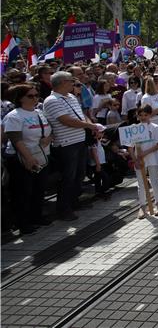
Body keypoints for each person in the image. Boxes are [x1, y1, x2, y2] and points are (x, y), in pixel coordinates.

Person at [42, 71, 103, 221]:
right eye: (71, 81)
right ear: (62, 82)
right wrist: (90, 126)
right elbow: (66, 120)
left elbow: (81, 116)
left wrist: (92, 126)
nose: (74, 84)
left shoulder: (71, 97)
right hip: (66, 144)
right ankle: (63, 208)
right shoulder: (51, 100)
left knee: (79, 174)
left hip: (79, 141)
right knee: (68, 177)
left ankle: (73, 202)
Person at [2, 84, 53, 233]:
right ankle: (23, 222)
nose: (35, 98)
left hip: (42, 156)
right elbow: (16, 139)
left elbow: (50, 130)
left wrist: (48, 139)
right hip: (22, 159)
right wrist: (28, 158)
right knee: (23, 192)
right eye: (30, 96)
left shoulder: (39, 112)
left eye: (37, 95)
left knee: (39, 189)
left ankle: (37, 216)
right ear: (20, 99)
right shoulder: (14, 116)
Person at [127, 105, 158, 219]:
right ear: (137, 116)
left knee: (154, 181)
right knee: (141, 183)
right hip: (139, 160)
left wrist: (146, 152)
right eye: (141, 115)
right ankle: (142, 205)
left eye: (146, 115)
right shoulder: (134, 128)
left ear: (150, 115)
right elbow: (130, 147)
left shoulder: (155, 127)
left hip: (152, 158)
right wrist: (135, 160)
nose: (143, 117)